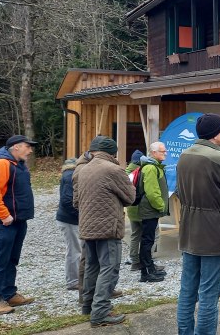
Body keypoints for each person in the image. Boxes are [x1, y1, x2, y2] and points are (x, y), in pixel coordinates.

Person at [175, 114, 220, 335]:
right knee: (209, 294)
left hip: (188, 229)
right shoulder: (219, 159)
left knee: (187, 291)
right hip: (213, 231)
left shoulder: (184, 155)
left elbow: (180, 190)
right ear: (216, 133)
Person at [74, 136, 135, 327]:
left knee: (92, 267)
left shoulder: (82, 169)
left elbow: (75, 201)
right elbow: (130, 196)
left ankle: (88, 306)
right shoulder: (113, 169)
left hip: (87, 226)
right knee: (108, 269)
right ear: (113, 153)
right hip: (108, 228)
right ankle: (100, 313)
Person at [0, 135, 37, 315]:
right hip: (4, 223)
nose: (30, 150)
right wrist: (4, 216)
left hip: (18, 221)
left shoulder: (17, 164)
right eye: (28, 147)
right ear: (16, 147)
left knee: (12, 259)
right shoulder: (2, 164)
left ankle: (9, 293)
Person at [137, 142, 169, 283]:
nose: (165, 153)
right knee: (147, 241)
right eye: (162, 151)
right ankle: (146, 273)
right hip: (150, 210)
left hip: (151, 210)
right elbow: (152, 192)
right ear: (154, 153)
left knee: (148, 240)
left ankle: (150, 268)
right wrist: (161, 206)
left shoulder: (155, 167)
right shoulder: (150, 168)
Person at [56, 158, 81, 291]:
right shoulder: (70, 176)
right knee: (74, 250)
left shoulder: (67, 175)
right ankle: (73, 281)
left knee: (75, 249)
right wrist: (80, 215)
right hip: (69, 220)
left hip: (68, 218)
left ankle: (75, 279)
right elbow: (67, 201)